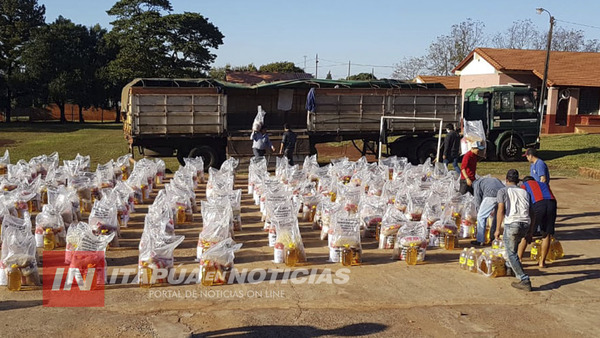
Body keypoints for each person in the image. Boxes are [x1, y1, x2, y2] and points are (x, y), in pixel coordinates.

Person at [495, 169, 533, 291]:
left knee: (511, 253)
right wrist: (531, 231)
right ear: (518, 181)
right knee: (514, 247)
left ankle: (524, 279)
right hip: (525, 223)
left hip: (512, 223)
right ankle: (510, 269)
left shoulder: (502, 191)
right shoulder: (525, 192)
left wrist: (497, 229)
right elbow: (533, 212)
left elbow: (501, 210)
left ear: (506, 180)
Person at [520, 176, 557, 268]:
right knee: (546, 234)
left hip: (538, 204)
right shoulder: (544, 184)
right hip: (552, 203)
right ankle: (542, 262)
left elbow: (523, 200)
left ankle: (519, 259)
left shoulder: (524, 185)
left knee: (528, 232)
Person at [471, 176, 504, 246]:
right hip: (503, 193)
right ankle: (493, 237)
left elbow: (477, 200)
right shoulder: (491, 179)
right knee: (497, 216)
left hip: (491, 194)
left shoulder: (476, 184)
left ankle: (480, 240)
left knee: (481, 216)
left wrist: (479, 211)